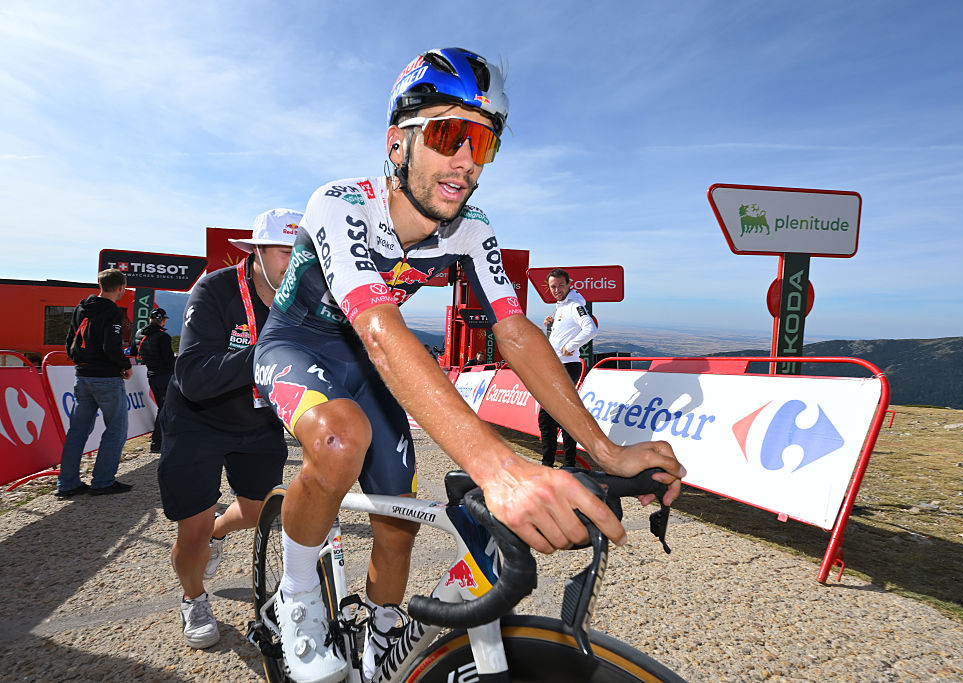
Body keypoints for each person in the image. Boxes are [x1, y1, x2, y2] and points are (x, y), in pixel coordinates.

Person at [253, 47, 684, 683]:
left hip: (372, 358)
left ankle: (383, 628)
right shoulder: (339, 203)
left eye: (482, 144)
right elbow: (376, 325)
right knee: (342, 441)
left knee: (397, 525)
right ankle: (296, 597)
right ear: (398, 141)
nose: (465, 161)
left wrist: (604, 449)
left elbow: (515, 333)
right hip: (300, 345)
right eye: (450, 135)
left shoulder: (470, 227)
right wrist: (501, 470)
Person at [157, 208, 300, 649]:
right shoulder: (215, 289)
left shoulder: (304, 294)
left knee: (259, 513)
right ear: (256, 252)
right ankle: (193, 597)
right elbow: (194, 378)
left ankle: (221, 529)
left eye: (304, 254)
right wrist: (264, 352)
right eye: (284, 252)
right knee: (192, 531)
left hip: (255, 422)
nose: (295, 264)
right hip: (196, 421)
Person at [56, 268, 135, 498]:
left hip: (82, 376)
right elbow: (111, 346)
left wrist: (83, 362)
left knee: (77, 431)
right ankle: (102, 481)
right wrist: (125, 365)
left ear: (100, 285)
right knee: (116, 429)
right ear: (121, 287)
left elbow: (69, 340)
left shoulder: (82, 307)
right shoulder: (112, 311)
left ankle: (67, 483)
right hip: (106, 378)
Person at [538, 268, 597, 468]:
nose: (557, 290)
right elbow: (557, 340)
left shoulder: (574, 305)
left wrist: (570, 346)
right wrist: (550, 327)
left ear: (569, 284)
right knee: (558, 417)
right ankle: (563, 463)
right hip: (556, 367)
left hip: (568, 367)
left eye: (561, 285)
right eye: (553, 286)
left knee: (550, 417)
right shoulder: (561, 306)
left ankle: (555, 464)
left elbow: (591, 328)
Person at [136, 308, 176, 452]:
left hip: (151, 375)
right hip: (164, 376)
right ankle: (158, 442)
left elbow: (135, 352)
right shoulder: (162, 336)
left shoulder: (139, 334)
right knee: (165, 408)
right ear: (162, 320)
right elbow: (169, 360)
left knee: (162, 407)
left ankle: (159, 441)